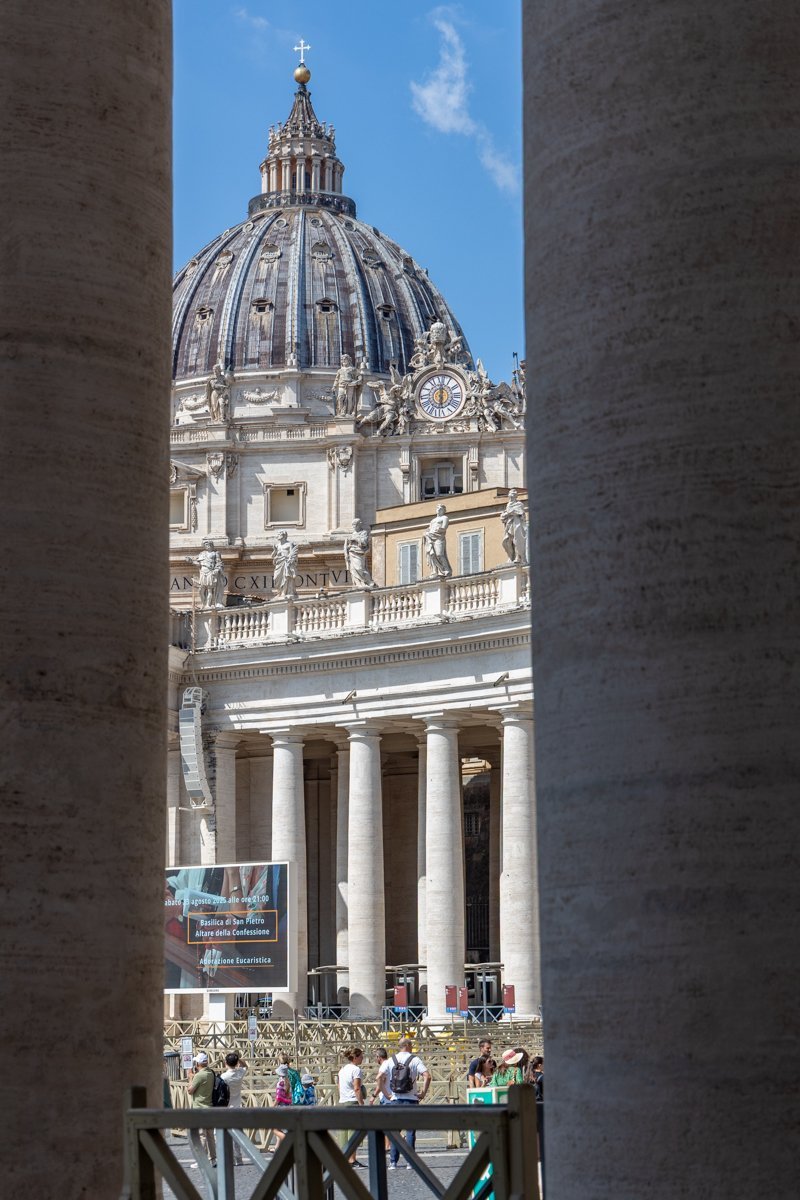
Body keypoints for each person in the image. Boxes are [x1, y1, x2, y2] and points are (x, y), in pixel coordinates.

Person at [379, 1036, 431, 1170]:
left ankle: (393, 1162)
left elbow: (379, 1077)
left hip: (395, 1099)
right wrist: (423, 1092)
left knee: (395, 1131)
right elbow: (427, 1075)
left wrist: (386, 1094)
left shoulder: (391, 1060)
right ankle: (410, 1162)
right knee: (410, 1132)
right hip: (411, 1099)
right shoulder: (414, 1059)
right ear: (408, 1045)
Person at [336, 1046, 365, 1166]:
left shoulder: (342, 1070)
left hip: (342, 1101)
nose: (362, 1058)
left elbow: (338, 1085)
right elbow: (357, 1088)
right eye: (361, 1056)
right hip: (352, 1102)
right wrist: (361, 1104)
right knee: (353, 1132)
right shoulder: (356, 1070)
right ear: (356, 1057)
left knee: (344, 1132)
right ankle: (352, 1159)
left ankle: (344, 1158)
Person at [187, 1051, 216, 1167]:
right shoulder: (210, 1073)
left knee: (201, 1135)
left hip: (200, 1108)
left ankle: (201, 1160)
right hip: (209, 1106)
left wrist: (190, 1077)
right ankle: (213, 1159)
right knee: (210, 1135)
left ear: (198, 1063)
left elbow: (190, 1091)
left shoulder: (199, 1076)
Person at [220, 1051, 248, 1166]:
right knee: (237, 1135)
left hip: (227, 1107)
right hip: (237, 1107)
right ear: (236, 1063)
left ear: (226, 1063)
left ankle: (229, 1158)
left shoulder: (224, 1077)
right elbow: (245, 1065)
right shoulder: (240, 1073)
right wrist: (238, 1058)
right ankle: (239, 1158)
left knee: (226, 1134)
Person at [186, 539, 224, 609]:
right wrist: (191, 561)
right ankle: (203, 603)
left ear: (211, 545)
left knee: (210, 590)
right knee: (201, 590)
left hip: (210, 572)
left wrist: (216, 570)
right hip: (203, 572)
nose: (207, 546)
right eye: (206, 545)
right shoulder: (202, 554)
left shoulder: (216, 553)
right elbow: (199, 564)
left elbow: (219, 563)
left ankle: (208, 605)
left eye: (208, 545)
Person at [343, 518, 376, 588]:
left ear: (359, 525)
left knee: (360, 568)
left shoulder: (364, 532)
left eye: (355, 525)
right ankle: (358, 584)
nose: (354, 527)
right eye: (353, 525)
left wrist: (355, 539)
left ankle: (368, 582)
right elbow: (348, 545)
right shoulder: (352, 534)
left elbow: (364, 542)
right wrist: (347, 549)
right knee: (353, 570)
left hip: (359, 553)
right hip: (352, 553)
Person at [500, 488, 528, 564]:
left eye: (513, 495)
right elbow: (506, 514)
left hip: (517, 524)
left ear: (515, 496)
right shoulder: (508, 505)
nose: (511, 496)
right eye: (510, 495)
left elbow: (519, 512)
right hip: (509, 525)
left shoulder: (519, 504)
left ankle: (518, 557)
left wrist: (508, 513)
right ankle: (511, 556)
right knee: (508, 541)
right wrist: (505, 515)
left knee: (517, 540)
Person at [424, 504, 452, 578]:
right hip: (430, 537)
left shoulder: (445, 518)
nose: (439, 510)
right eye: (438, 508)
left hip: (439, 537)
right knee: (432, 555)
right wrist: (426, 533)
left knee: (439, 554)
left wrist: (438, 530)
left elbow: (444, 528)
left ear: (444, 511)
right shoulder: (432, 520)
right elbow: (429, 529)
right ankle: (435, 571)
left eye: (441, 509)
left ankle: (446, 570)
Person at [271, 530, 299, 597]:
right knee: (276, 578)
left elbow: (292, 554)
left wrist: (290, 560)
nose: (277, 536)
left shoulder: (289, 544)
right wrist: (275, 550)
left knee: (286, 577)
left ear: (283, 535)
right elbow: (272, 556)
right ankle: (279, 591)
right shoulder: (277, 546)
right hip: (279, 563)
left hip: (286, 562)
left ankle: (284, 592)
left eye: (279, 534)